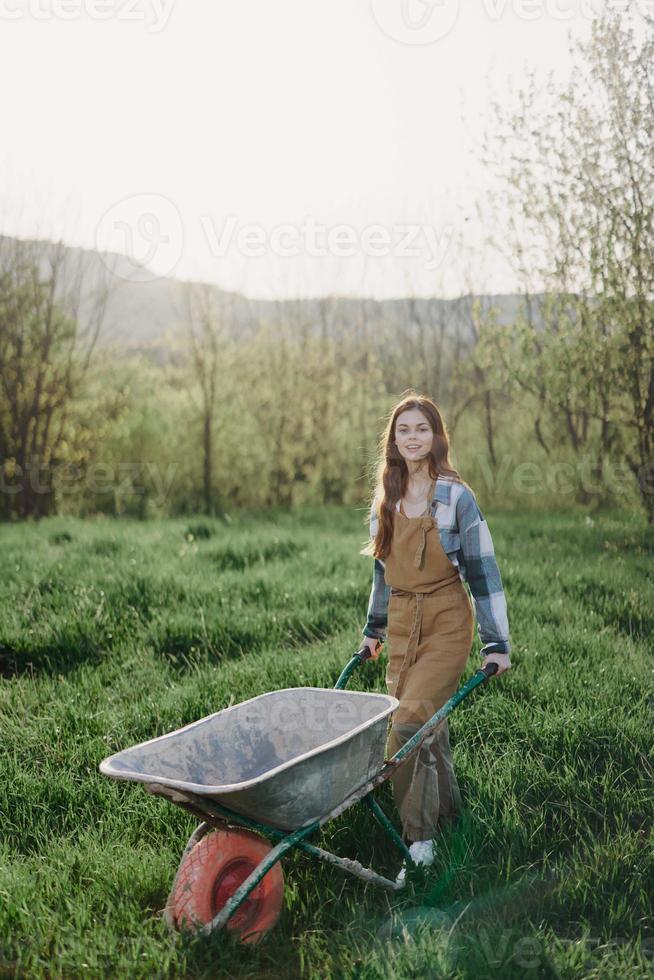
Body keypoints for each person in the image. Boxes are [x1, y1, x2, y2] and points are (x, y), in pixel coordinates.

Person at [359, 393, 511, 885]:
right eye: (404, 429)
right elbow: (383, 575)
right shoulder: (387, 495)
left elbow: (484, 572)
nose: (413, 437)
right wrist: (374, 631)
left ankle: (419, 842)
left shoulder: (456, 497)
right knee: (429, 726)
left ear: (436, 436)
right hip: (403, 623)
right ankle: (451, 818)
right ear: (393, 440)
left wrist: (496, 643)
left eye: (422, 428)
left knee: (405, 728)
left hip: (447, 619)